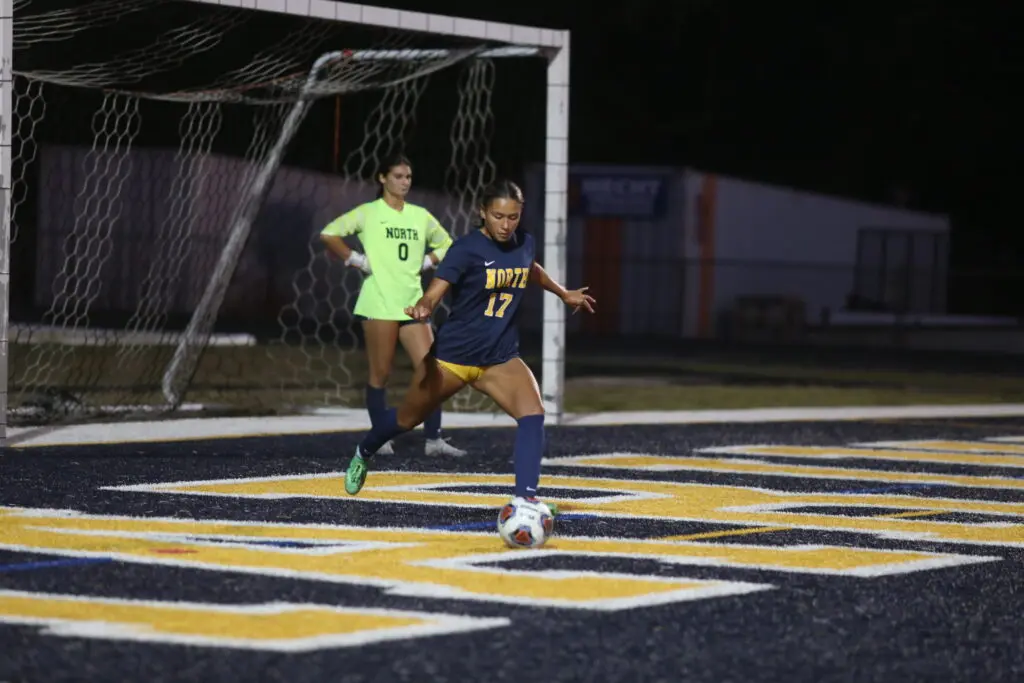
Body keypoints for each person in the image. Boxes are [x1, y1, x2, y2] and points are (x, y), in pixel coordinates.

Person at [342, 179, 596, 514]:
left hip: (499, 357)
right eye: (498, 216)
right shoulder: (465, 249)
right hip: (452, 358)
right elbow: (437, 288)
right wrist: (424, 306)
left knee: (533, 415)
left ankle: (526, 499)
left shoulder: (526, 243)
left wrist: (563, 292)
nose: (506, 225)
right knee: (406, 419)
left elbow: (529, 268)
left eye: (513, 217)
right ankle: (365, 450)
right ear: (482, 212)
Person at [320, 153, 466, 457]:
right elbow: (329, 233)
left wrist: (428, 261)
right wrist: (357, 260)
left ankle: (434, 439)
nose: (404, 182)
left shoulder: (420, 216)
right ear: (382, 178)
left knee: (433, 370)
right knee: (380, 374)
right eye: (398, 176)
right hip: (378, 303)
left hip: (413, 304)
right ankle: (380, 438)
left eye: (408, 177)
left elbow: (447, 243)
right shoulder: (368, 212)